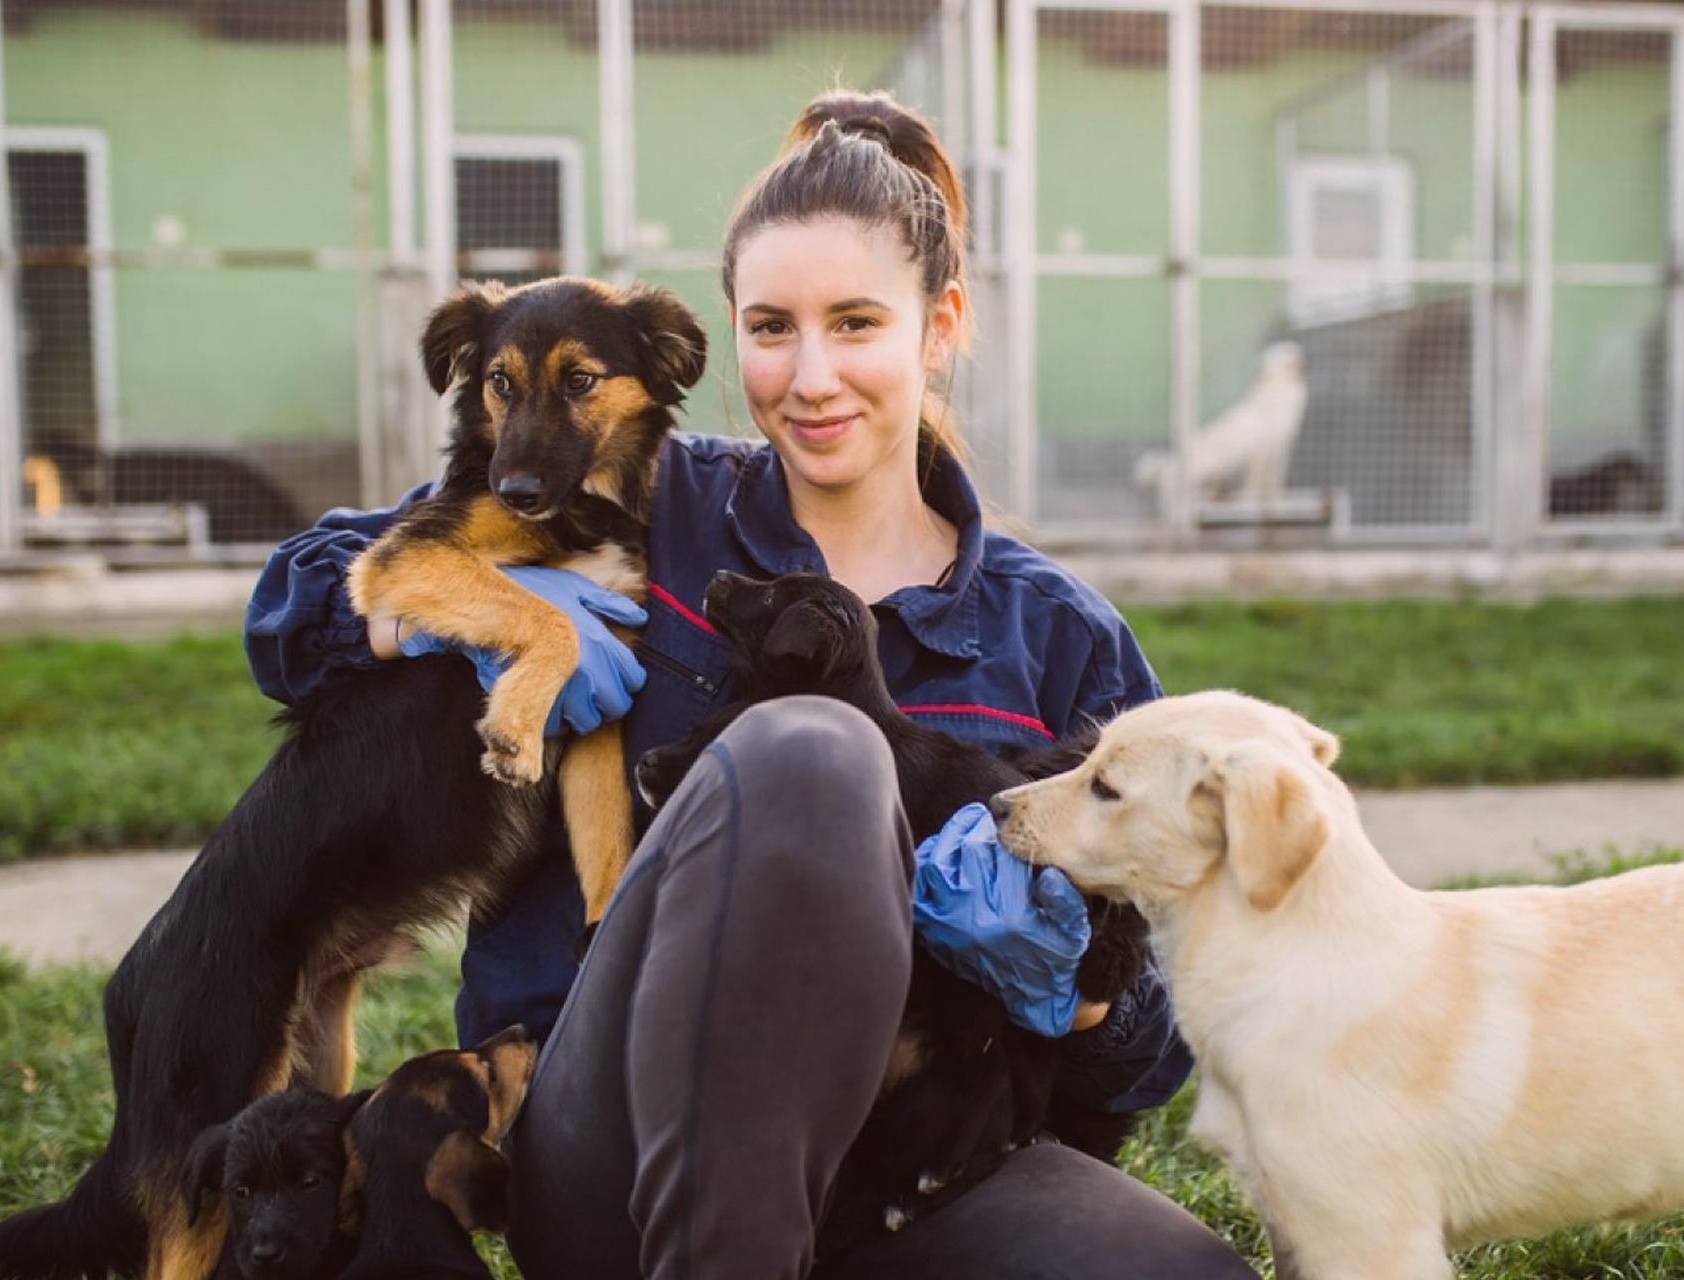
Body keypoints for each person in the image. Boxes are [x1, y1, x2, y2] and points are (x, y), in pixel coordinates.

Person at [244, 91, 1254, 1280]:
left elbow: (1162, 1033)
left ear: (939, 325)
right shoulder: (630, 505)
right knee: (814, 751)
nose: (811, 376)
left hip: (911, 1164)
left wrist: (1077, 986)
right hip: (617, 1146)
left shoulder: (1058, 638)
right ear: (730, 332)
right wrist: (496, 619)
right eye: (773, 327)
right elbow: (294, 607)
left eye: (857, 323)